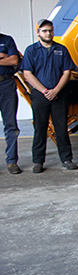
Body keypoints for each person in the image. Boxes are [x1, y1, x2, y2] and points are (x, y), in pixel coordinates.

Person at [20, 19, 78, 173]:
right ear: (38, 32)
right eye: (44, 31)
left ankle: (67, 159)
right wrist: (45, 91)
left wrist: (56, 90)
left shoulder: (62, 49)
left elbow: (67, 72)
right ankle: (38, 161)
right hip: (40, 96)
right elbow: (27, 73)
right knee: (40, 128)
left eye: (50, 30)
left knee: (61, 128)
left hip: (59, 95)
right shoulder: (31, 50)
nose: (48, 33)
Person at [0, 31, 21, 174]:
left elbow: (14, 60)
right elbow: (9, 59)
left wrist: (9, 58)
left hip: (6, 83)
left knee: (11, 125)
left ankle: (12, 161)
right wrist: (3, 57)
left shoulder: (7, 40)